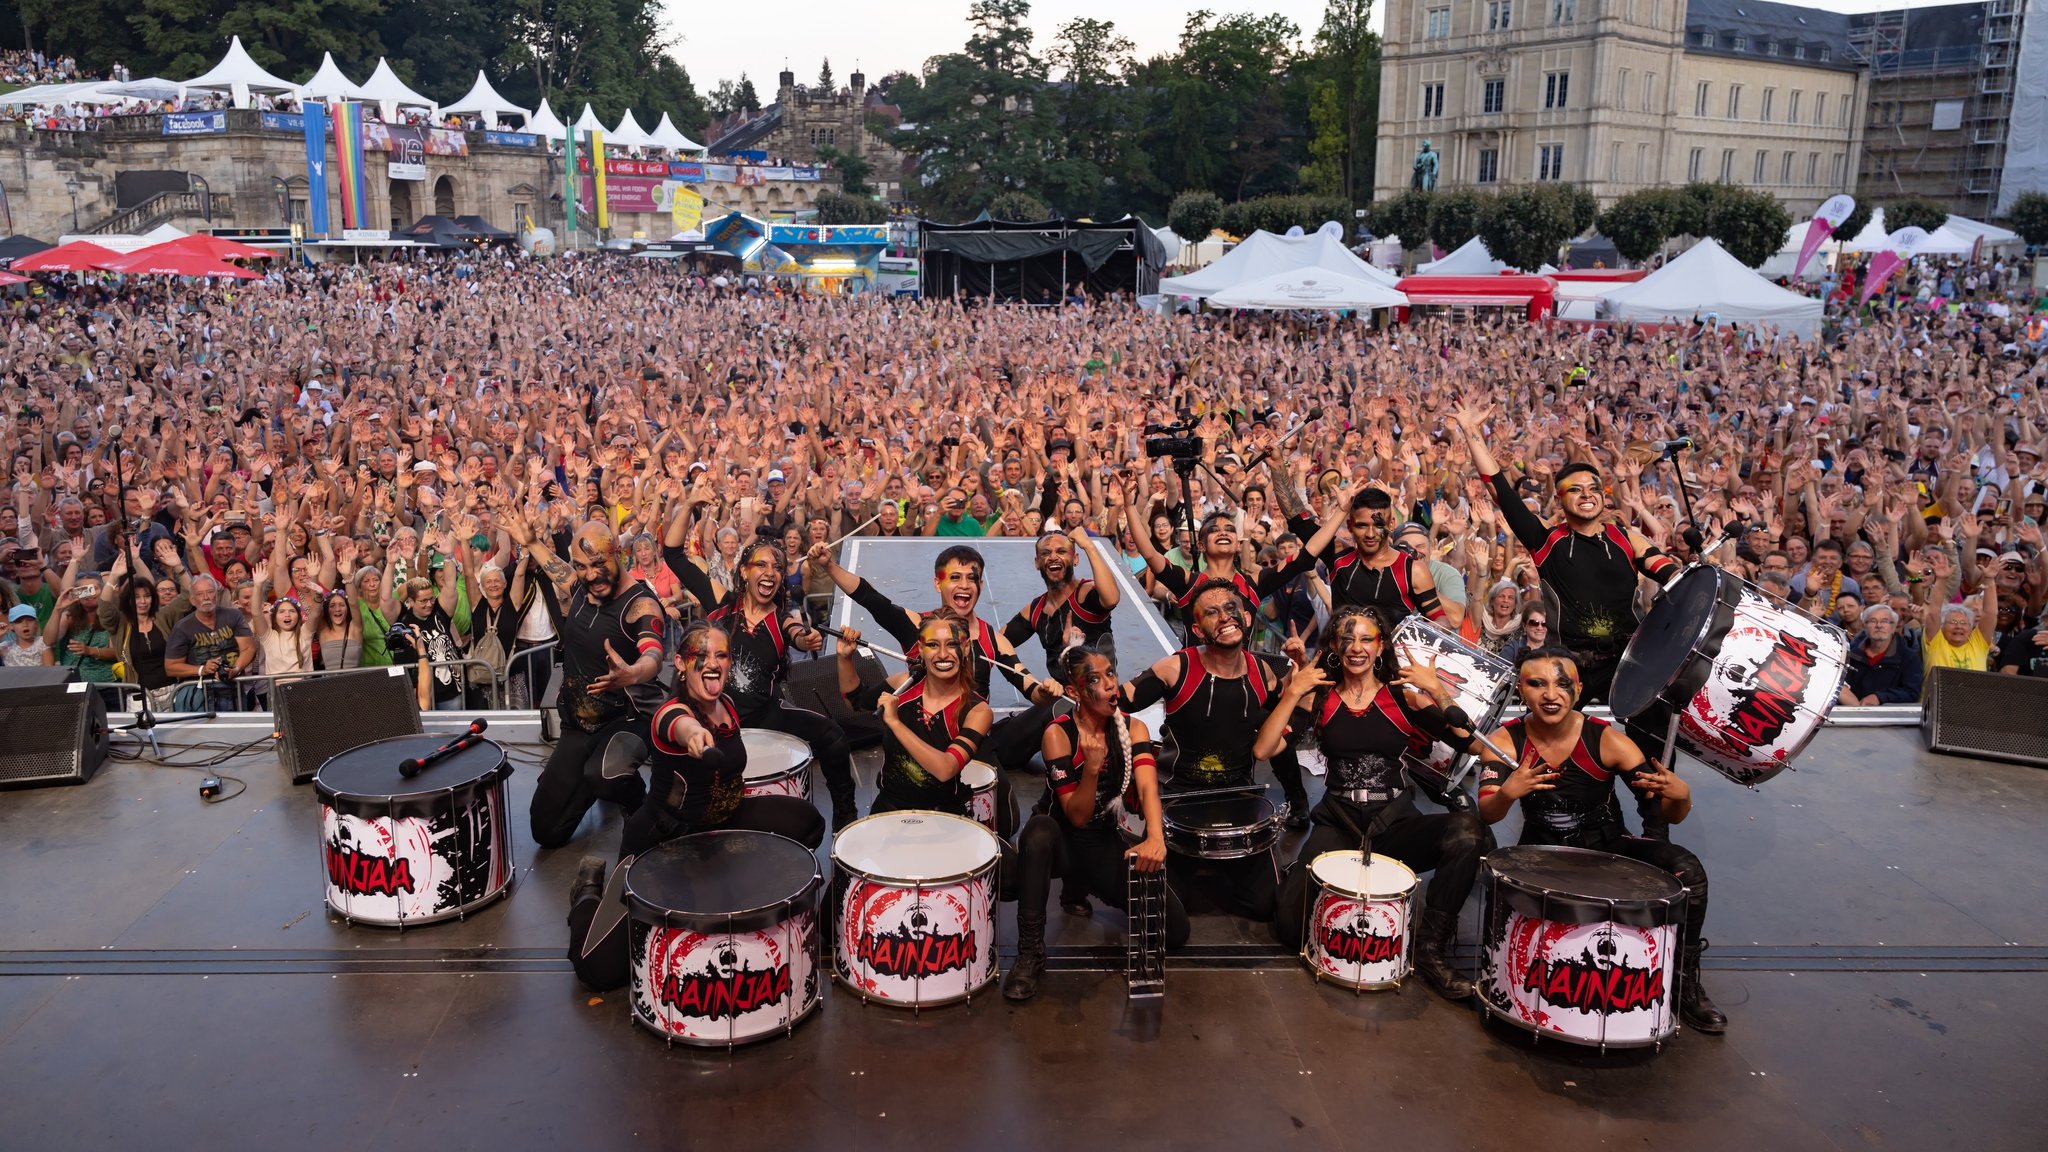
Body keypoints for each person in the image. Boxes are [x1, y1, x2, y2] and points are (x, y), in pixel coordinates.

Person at [1473, 646, 1727, 1033]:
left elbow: (1662, 811)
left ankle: (1684, 983)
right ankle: (1503, 974)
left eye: (1561, 684)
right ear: (1521, 691)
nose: (1550, 694)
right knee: (1496, 881)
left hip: (1605, 850)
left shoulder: (1609, 741)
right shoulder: (1504, 742)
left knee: (1687, 868)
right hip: (1538, 856)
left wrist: (1682, 797)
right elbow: (1488, 812)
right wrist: (1510, 790)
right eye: (1537, 684)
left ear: (1577, 689)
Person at [566, 622, 825, 990]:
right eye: (700, 656)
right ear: (681, 663)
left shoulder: (729, 705)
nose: (711, 662)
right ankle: (588, 893)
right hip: (663, 838)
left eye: (720, 654)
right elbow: (680, 725)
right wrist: (695, 735)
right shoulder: (670, 714)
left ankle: (751, 885)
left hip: (722, 823)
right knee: (600, 971)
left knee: (808, 822)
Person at [1262, 606, 1494, 999]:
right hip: (1339, 821)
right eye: (1347, 639)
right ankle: (1299, 874)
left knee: (1468, 830)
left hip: (1394, 822)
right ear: (1335, 644)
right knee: (1289, 928)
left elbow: (1475, 745)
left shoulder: (1404, 698)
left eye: (1366, 639)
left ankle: (1431, 949)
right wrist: (1294, 691)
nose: (1356, 648)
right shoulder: (1319, 697)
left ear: (1380, 644)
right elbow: (1265, 747)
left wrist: (1437, 690)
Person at [1454, 402, 1683, 704]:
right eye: (1575, 489)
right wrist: (1471, 430)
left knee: (1651, 734)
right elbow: (1501, 490)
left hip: (1629, 661)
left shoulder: (1627, 538)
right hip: (1570, 666)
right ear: (1560, 500)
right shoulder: (1546, 540)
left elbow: (1673, 575)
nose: (1587, 494)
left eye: (1593, 488)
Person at [1006, 642, 1181, 1001]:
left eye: (1111, 674)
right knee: (1038, 832)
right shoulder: (1057, 734)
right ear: (1074, 692)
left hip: (1102, 841)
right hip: (1063, 840)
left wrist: (1155, 838)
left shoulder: (1133, 730)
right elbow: (1077, 815)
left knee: (1175, 931)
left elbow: (1148, 789)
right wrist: (1092, 767)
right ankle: (1030, 953)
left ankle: (1079, 885)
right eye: (1096, 679)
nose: (1110, 686)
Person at [666, 514, 857, 829]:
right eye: (762, 566)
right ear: (744, 571)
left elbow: (796, 630)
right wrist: (686, 503)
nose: (771, 573)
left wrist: (805, 637)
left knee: (833, 737)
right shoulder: (722, 604)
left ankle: (845, 815)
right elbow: (673, 555)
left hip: (761, 714)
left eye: (778, 568)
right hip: (712, 718)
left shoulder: (782, 619)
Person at [1121, 582, 1290, 921]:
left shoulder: (1264, 671)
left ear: (1245, 616)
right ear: (1198, 629)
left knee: (1265, 906)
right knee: (1160, 914)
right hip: (1177, 800)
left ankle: (1213, 867)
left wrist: (1295, 689)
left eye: (1231, 609)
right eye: (1211, 613)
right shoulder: (1174, 668)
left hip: (1238, 797)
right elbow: (1116, 704)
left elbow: (1280, 714)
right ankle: (1201, 868)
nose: (1224, 618)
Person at [514, 518, 661, 849]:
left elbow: (653, 653)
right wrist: (532, 540)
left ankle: (639, 805)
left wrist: (632, 673)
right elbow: (559, 570)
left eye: (599, 564)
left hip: (628, 718)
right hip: (580, 726)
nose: (591, 574)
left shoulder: (641, 603)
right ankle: (592, 783)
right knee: (546, 832)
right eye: (581, 566)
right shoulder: (581, 587)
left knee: (604, 775)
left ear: (618, 554)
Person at [163, 575, 254, 712]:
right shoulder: (182, 627)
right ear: (192, 600)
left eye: (210, 592)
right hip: (198, 693)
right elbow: (171, 667)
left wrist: (235, 668)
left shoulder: (233, 615)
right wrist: (202, 670)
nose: (206, 597)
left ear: (216, 595)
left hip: (232, 688)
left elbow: (249, 648)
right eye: (199, 594)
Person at [1839, 604, 1922, 704]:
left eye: (1885, 621)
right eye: (1873, 621)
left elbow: (1912, 693)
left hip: (1891, 716)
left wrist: (1880, 697)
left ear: (1893, 626)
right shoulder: (1850, 655)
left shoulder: (1909, 657)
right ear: (1864, 625)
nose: (1879, 625)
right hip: (1850, 714)